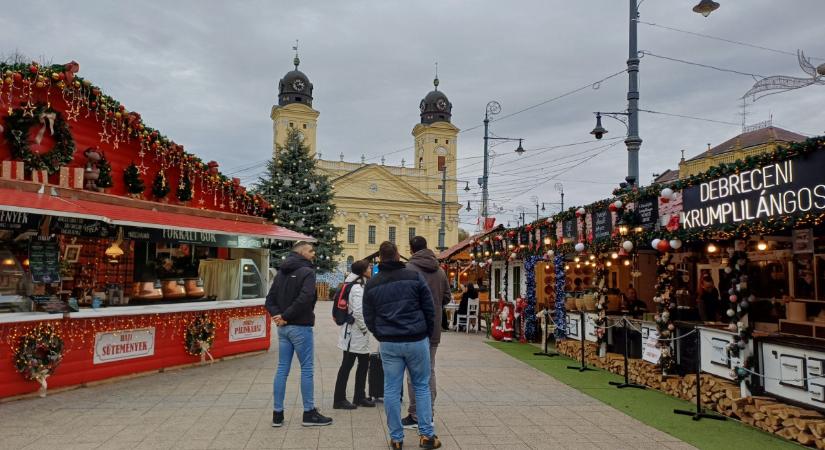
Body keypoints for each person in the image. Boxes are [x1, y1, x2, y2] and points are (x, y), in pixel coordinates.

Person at [363, 241, 441, 450]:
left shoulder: (372, 283)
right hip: (416, 339)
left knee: (391, 388)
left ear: (380, 258)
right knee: (421, 386)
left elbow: (368, 316)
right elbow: (429, 307)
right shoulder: (414, 276)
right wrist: (425, 331)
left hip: (389, 342)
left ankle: (396, 438)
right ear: (398, 255)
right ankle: (427, 435)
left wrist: (380, 333)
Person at [265, 241, 332, 428]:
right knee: (307, 369)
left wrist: (279, 317)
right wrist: (285, 317)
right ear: (301, 252)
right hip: (300, 326)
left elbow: (269, 300)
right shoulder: (307, 272)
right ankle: (309, 413)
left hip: (283, 329)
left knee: (282, 369)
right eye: (311, 251)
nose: (313, 254)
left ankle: (277, 414)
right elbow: (306, 297)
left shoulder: (281, 272)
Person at [403, 236, 451, 430]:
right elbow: (447, 297)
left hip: (413, 328)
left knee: (413, 372)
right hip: (434, 328)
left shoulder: (408, 269)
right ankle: (428, 412)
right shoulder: (440, 271)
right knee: (429, 370)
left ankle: (416, 414)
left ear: (411, 249)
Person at [332, 260, 375, 410]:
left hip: (354, 333)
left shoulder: (354, 283)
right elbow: (358, 312)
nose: (371, 269)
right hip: (355, 333)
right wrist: (365, 328)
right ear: (363, 271)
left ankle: (359, 396)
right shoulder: (357, 288)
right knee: (347, 365)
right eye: (369, 268)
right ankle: (339, 399)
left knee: (362, 364)